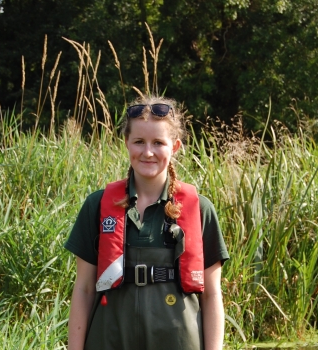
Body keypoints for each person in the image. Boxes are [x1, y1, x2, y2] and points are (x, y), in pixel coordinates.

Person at [65, 95, 229, 350]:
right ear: (127, 143)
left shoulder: (200, 209)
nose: (148, 152)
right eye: (139, 141)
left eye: (158, 143)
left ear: (174, 147)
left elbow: (212, 294)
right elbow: (84, 289)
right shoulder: (97, 206)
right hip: (109, 340)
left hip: (180, 341)